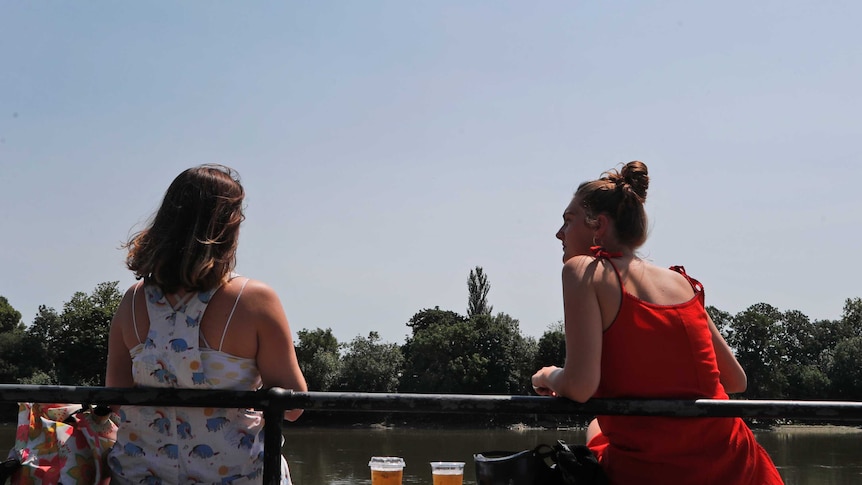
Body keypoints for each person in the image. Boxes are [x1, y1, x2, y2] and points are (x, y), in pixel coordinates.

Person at [531, 161, 783, 484]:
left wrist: (548, 375)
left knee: (592, 431)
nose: (559, 233)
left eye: (568, 220)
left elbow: (580, 386)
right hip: (740, 468)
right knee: (597, 427)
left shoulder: (583, 271)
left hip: (657, 471)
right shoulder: (680, 283)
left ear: (600, 227)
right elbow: (735, 380)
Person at [105, 164, 307, 484]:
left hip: (140, 476)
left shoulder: (132, 302)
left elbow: (115, 399)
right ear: (229, 226)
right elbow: (293, 406)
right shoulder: (254, 299)